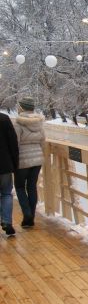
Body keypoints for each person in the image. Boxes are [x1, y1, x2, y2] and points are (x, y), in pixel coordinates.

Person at [13, 97, 45, 228]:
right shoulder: (39, 123)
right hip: (37, 159)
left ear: (21, 107)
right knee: (32, 187)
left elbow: (15, 144)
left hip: (23, 160)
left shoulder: (18, 124)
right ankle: (31, 218)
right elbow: (43, 141)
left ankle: (27, 214)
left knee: (19, 187)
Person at [0, 112, 19, 237]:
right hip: (5, 164)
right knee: (6, 193)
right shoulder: (4, 119)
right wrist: (15, 163)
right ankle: (7, 221)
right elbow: (13, 142)